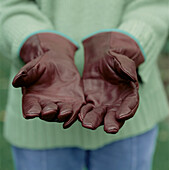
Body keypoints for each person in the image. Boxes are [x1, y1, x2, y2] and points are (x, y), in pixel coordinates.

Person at [0, 0, 168, 170]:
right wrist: (38, 44)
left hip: (127, 109)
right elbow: (10, 6)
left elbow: (154, 4)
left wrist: (128, 42)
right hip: (40, 117)